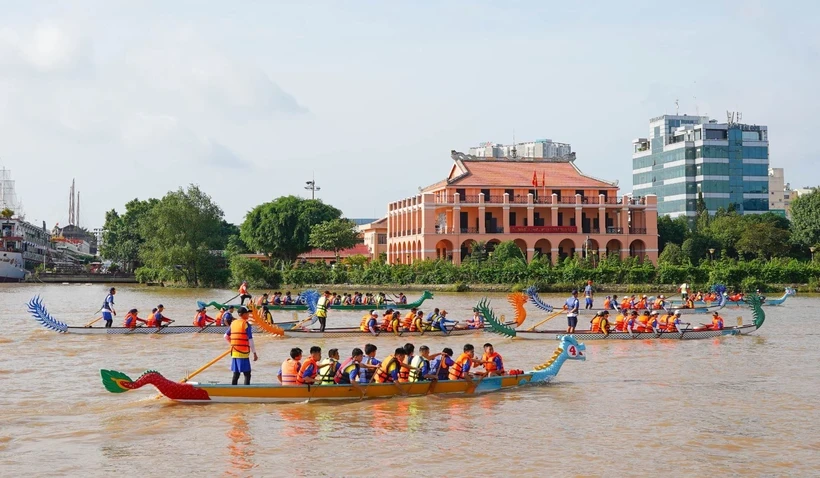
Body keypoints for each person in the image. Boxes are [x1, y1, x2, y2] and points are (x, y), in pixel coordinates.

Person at [224, 306, 258, 385]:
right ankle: (246, 391)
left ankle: (233, 390)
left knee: (236, 374)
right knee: (247, 374)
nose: (249, 314)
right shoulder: (246, 324)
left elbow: (226, 336)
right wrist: (254, 353)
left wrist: (233, 344)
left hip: (234, 352)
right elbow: (250, 339)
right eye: (247, 313)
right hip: (243, 353)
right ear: (244, 314)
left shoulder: (233, 323)